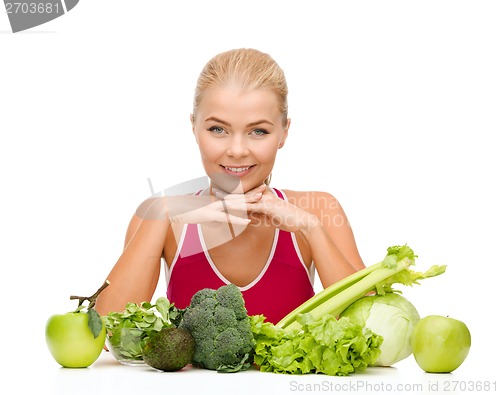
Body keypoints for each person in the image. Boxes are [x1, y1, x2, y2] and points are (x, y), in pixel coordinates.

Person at [95, 48, 365, 324]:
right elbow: (107, 328)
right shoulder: (158, 216)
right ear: (194, 128)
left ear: (284, 133)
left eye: (258, 131)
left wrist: (311, 228)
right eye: (217, 129)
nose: (237, 150)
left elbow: (370, 327)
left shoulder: (317, 210)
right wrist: (164, 212)